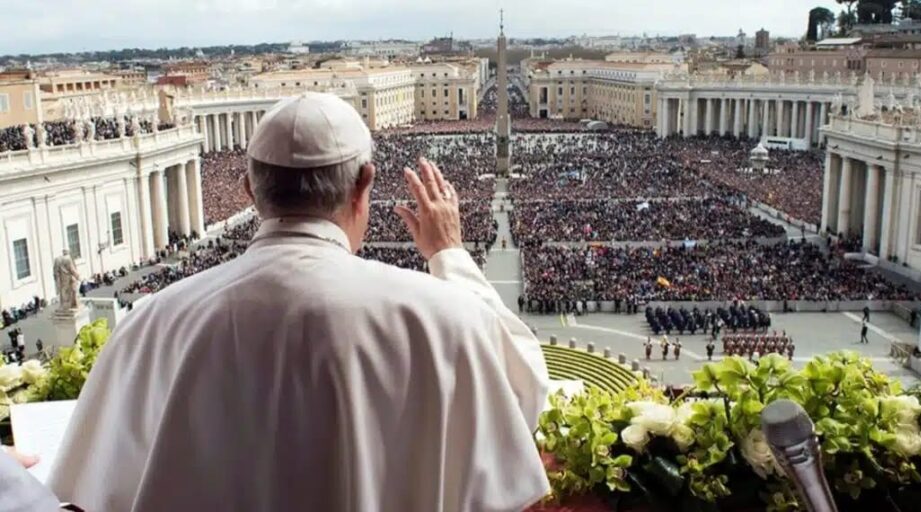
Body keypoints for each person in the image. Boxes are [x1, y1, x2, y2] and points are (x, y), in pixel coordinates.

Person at [48, 93, 550, 512]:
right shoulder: (444, 318)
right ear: (364, 186)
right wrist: (451, 256)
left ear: (249, 190)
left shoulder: (152, 325)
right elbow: (525, 393)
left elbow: (93, 488)